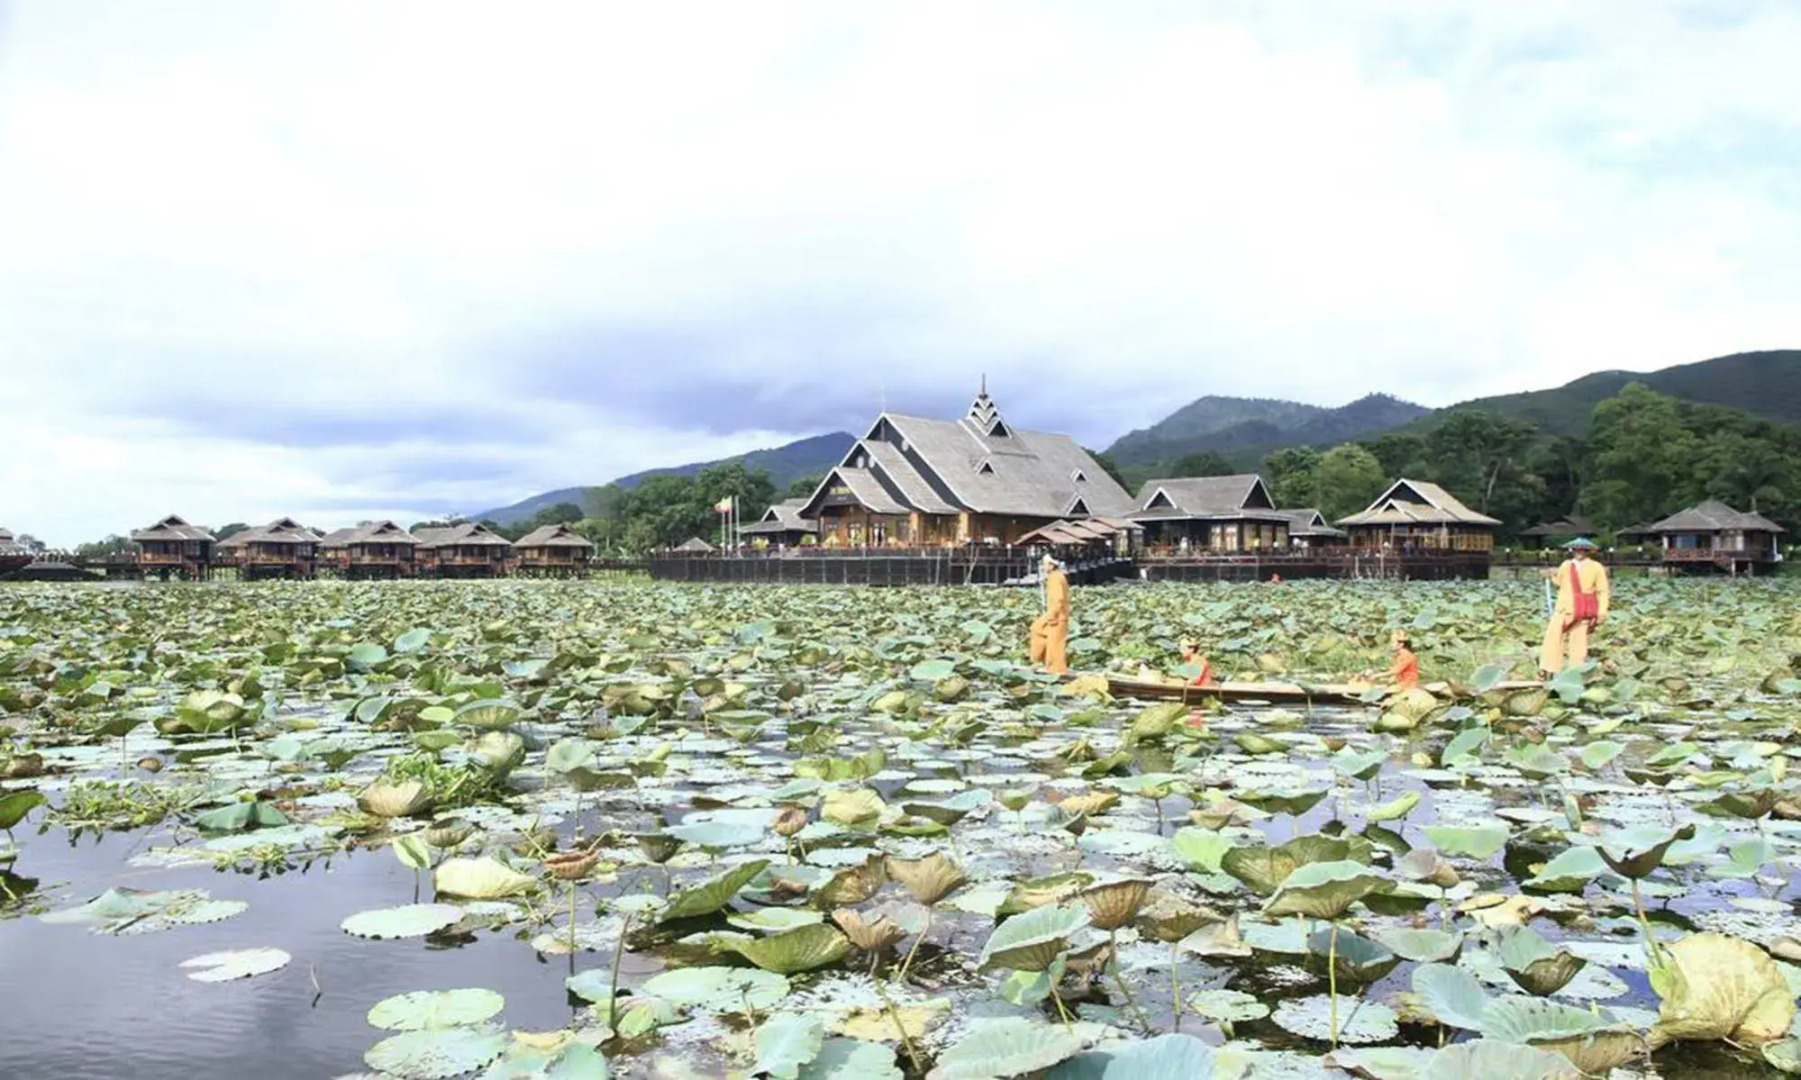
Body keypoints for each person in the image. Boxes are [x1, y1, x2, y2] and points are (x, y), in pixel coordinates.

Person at [1540, 537, 1610, 676]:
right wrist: (1549, 576)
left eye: (1582, 550)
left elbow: (1602, 591)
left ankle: (1576, 672)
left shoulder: (1596, 567)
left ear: (1588, 551)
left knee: (1578, 643)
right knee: (1552, 638)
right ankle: (1548, 670)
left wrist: (1602, 611)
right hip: (1562, 607)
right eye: (1576, 549)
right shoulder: (1566, 565)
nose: (1579, 552)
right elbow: (1559, 582)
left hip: (1582, 609)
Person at [1029, 554, 1070, 674]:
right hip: (1057, 614)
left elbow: (1059, 599)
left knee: (1055, 643)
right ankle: (1043, 661)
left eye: (1045, 564)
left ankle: (1055, 668)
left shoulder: (1055, 578)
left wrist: (1052, 615)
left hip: (1057, 615)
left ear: (1052, 565)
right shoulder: (1056, 576)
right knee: (1038, 630)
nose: (1043, 567)